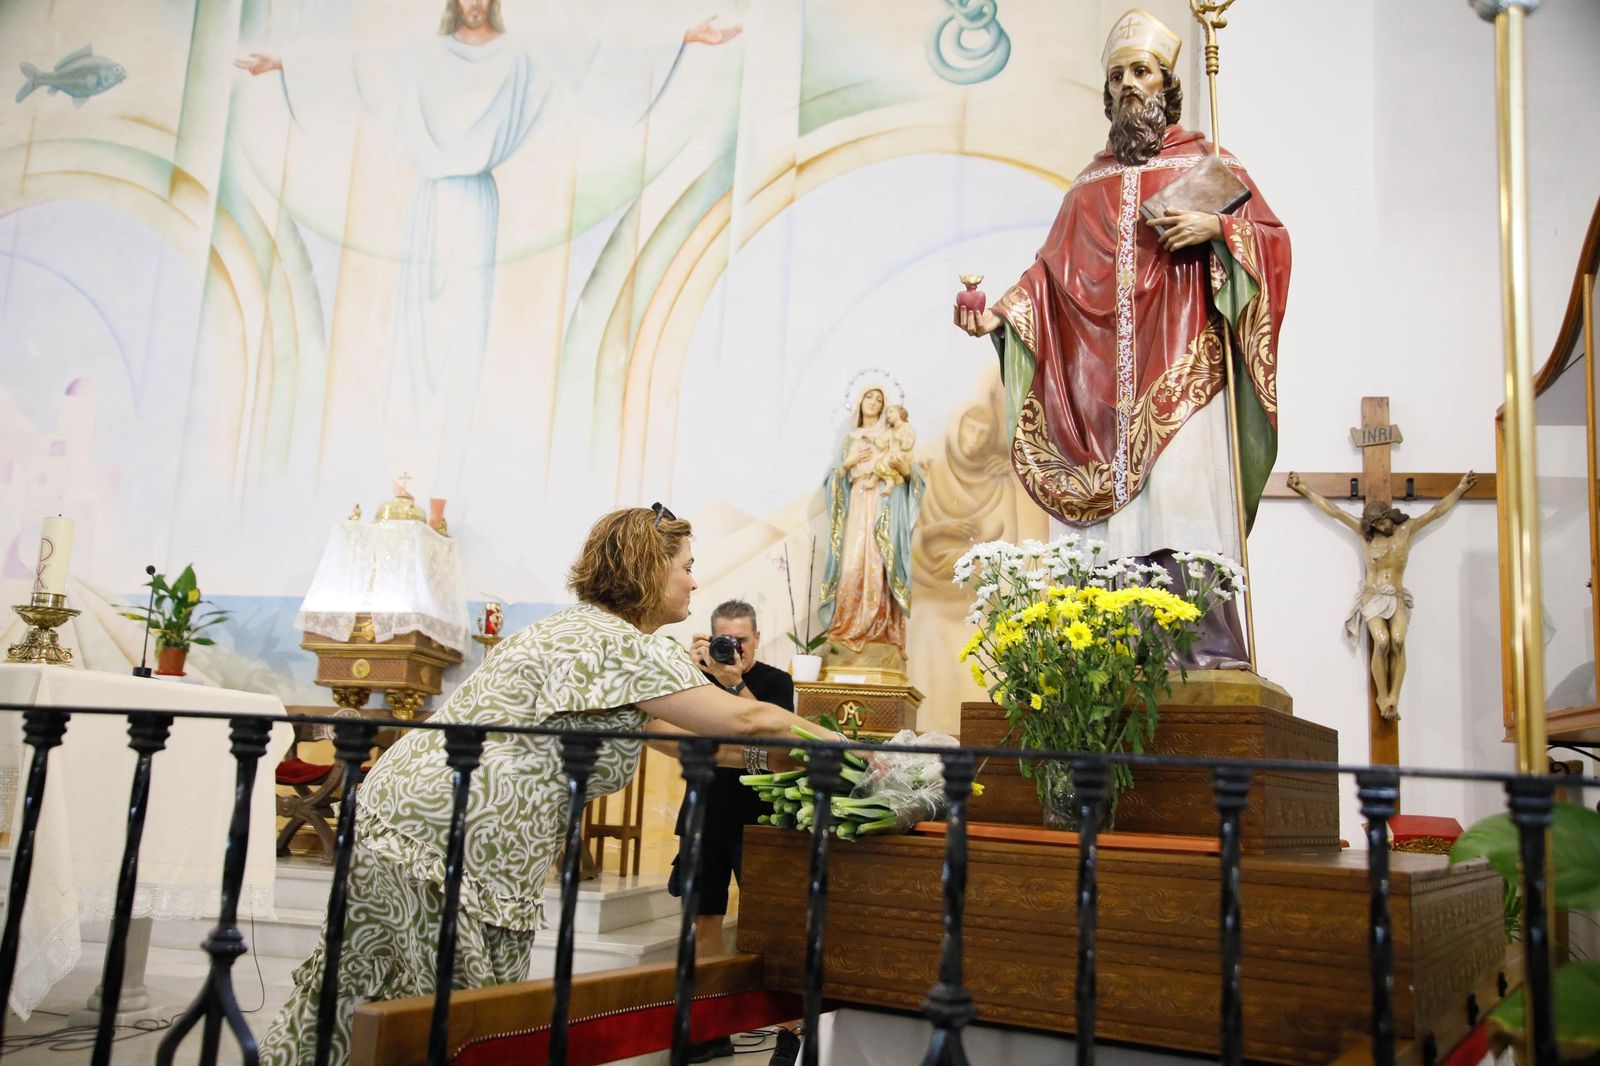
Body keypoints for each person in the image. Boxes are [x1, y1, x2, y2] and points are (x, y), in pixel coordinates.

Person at [258, 506, 840, 1066]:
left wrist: (794, 760)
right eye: (686, 565)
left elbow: (698, 743)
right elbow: (745, 719)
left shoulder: (593, 636)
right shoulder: (615, 643)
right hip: (441, 839)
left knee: (380, 999)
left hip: (432, 829)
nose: (694, 581)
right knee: (450, 1021)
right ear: (646, 569)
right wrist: (852, 752)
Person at [234, 1, 741, 495]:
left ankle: (439, 501)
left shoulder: (519, 54)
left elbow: (594, 60)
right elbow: (356, 68)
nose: (473, 3)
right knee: (411, 350)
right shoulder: (423, 55)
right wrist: (285, 63)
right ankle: (400, 488)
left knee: (461, 348)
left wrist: (682, 36)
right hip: (428, 206)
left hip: (475, 208)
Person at [952, 8, 1291, 667]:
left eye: (1143, 71)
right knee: (1117, 526)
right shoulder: (1088, 189)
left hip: (1187, 370)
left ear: (1167, 85)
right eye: (1118, 76)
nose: (1130, 85)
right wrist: (997, 317)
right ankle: (1114, 645)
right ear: (1107, 95)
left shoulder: (1211, 169)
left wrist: (1220, 232)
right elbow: (1048, 278)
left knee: (1185, 499)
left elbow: (1273, 244)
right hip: (1100, 387)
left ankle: (1201, 646)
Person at [665, 599, 795, 1062]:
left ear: (757, 638)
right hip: (703, 812)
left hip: (758, 820)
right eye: (723, 639)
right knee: (704, 920)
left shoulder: (775, 682)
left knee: (772, 927)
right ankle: (709, 1027)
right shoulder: (693, 679)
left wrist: (733, 683)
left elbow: (775, 737)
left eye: (740, 640)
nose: (732, 647)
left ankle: (788, 1035)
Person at [1287, 471, 1478, 718]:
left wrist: (1460, 488)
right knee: (1383, 641)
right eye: (1374, 525)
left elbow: (1436, 512)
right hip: (1372, 595)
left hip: (1396, 596)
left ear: (1389, 517)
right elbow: (1334, 512)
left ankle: (1393, 697)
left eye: (1381, 523)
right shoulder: (1366, 535)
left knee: (1398, 640)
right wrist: (1305, 489)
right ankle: (1381, 696)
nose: (1379, 528)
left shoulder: (1407, 530)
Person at [818, 385, 926, 657]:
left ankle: (879, 632)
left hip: (883, 504)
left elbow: (913, 474)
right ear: (859, 401)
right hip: (856, 504)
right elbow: (833, 481)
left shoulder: (891, 436)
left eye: (879, 399)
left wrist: (901, 470)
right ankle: (845, 629)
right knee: (851, 565)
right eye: (869, 396)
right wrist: (847, 463)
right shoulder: (849, 440)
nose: (873, 402)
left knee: (878, 564)